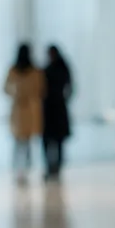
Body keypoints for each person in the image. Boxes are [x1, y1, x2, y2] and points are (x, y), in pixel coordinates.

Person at [3, 44, 44, 182]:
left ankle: (22, 170)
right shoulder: (19, 70)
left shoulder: (29, 71)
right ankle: (20, 170)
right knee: (22, 143)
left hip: (24, 110)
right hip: (23, 110)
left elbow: (40, 90)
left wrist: (20, 94)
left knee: (22, 143)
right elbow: (6, 89)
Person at [40, 44, 73, 179]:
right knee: (49, 141)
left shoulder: (56, 69)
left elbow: (70, 88)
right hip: (51, 108)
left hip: (55, 108)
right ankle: (50, 167)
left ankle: (56, 168)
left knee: (56, 141)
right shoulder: (51, 69)